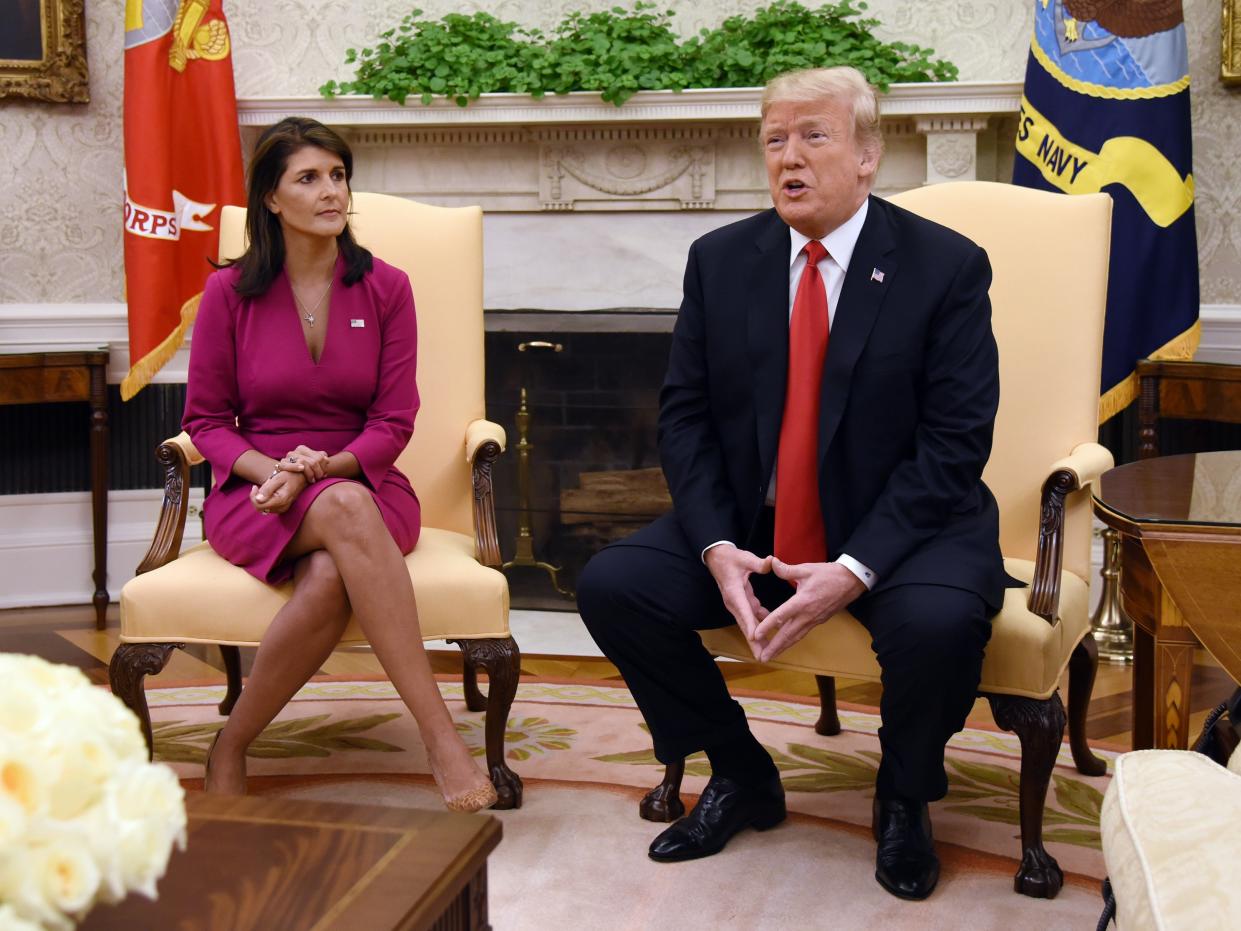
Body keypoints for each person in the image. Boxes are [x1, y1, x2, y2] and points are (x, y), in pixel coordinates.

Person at [576, 67, 1013, 900]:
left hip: (904, 522)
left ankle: (903, 794)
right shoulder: (720, 260)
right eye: (774, 139)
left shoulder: (944, 266)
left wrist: (854, 568)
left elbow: (955, 442)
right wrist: (714, 546)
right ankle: (742, 770)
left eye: (813, 136)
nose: (789, 157)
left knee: (940, 620)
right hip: (755, 514)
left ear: (868, 157)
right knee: (614, 585)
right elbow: (685, 419)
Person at [183, 116, 496, 813]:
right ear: (271, 197)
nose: (331, 191)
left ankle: (230, 744)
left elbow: (394, 421)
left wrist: (320, 469)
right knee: (342, 515)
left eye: (338, 174)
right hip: (255, 491)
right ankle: (441, 737)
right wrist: (277, 471)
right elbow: (204, 423)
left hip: (364, 479)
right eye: (308, 178)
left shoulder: (386, 287)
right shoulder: (227, 295)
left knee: (330, 566)